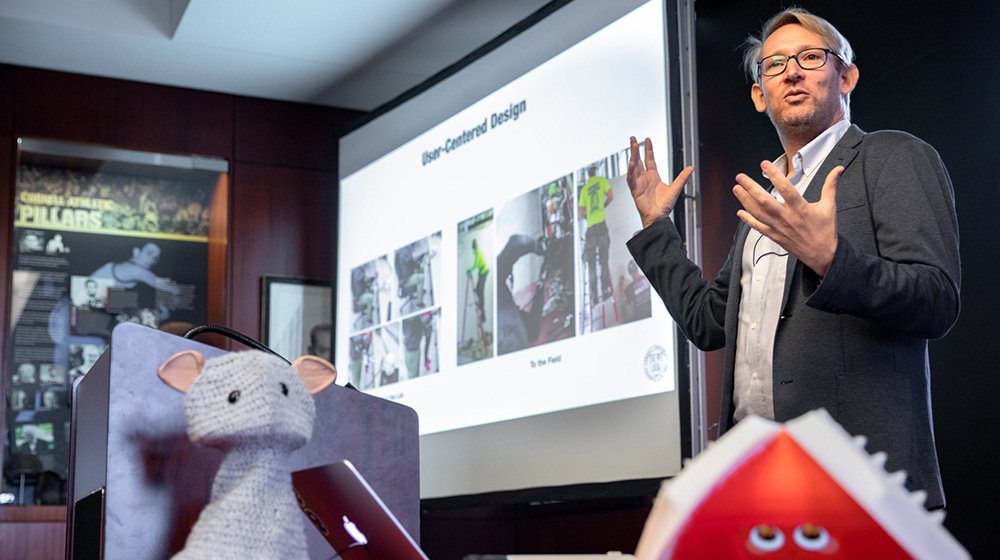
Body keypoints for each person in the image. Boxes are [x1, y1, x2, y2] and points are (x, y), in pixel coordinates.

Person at [625, 8, 959, 510]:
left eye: (810, 57)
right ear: (760, 95)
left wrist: (832, 259)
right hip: (761, 488)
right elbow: (709, 321)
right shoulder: (767, 202)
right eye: (775, 65)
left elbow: (936, 300)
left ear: (845, 75)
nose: (793, 72)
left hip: (861, 489)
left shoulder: (891, 157)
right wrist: (657, 229)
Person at [579, 165, 615, 304]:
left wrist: (589, 215)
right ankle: (605, 290)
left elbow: (581, 213)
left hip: (591, 229)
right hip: (601, 225)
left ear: (587, 174)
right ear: (595, 171)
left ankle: (594, 297)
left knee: (591, 264)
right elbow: (610, 196)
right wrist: (602, 206)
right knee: (604, 260)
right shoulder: (602, 181)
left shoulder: (584, 189)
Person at [467, 239, 489, 323]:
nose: (473, 250)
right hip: (482, 272)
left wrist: (470, 270)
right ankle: (481, 309)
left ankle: (483, 316)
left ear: (475, 247)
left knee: (480, 292)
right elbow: (477, 265)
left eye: (473, 248)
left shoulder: (477, 253)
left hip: (483, 272)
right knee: (477, 289)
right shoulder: (477, 252)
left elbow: (476, 264)